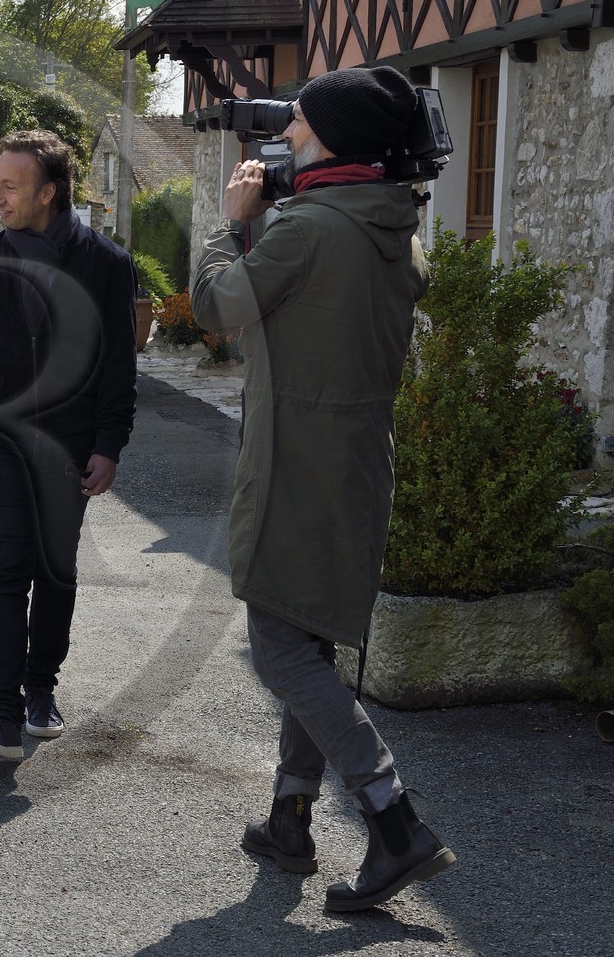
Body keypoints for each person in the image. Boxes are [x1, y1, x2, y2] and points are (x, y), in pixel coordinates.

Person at [190, 65, 456, 912]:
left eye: (299, 124)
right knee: (308, 641)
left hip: (296, 465)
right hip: (357, 462)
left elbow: (216, 305)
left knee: (278, 645)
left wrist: (232, 225)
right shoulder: (392, 228)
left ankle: (394, 820)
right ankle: (290, 817)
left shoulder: (307, 229)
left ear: (336, 141)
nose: (287, 136)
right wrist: (279, 211)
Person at [0, 129, 138, 761]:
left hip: (70, 443)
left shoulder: (105, 264)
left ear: (48, 192)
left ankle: (41, 686)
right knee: (4, 571)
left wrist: (109, 442)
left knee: (55, 568)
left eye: (7, 185)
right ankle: (1, 715)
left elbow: (117, 366)